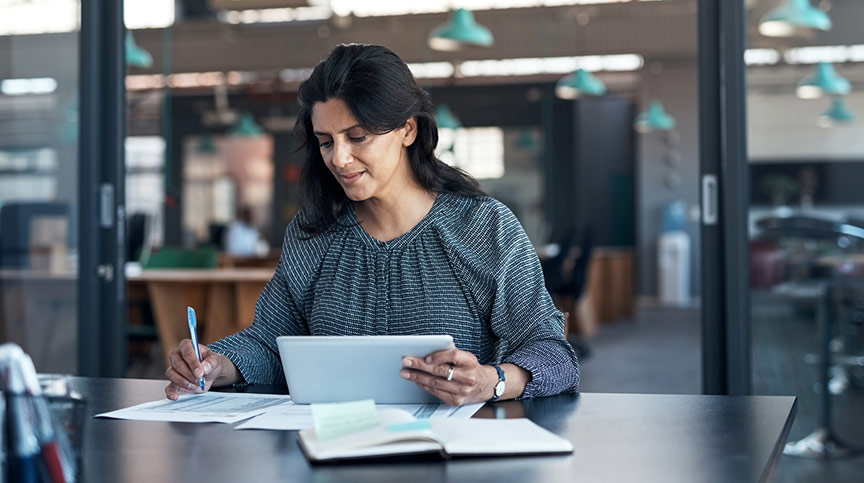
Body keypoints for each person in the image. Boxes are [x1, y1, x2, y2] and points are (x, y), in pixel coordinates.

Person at [165, 43, 580, 405]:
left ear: (408, 130)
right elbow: (269, 344)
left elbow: (555, 356)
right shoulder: (314, 234)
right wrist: (218, 364)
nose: (339, 159)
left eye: (357, 136)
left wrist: (492, 381)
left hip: (450, 453)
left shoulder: (485, 229)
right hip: (331, 451)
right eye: (326, 142)